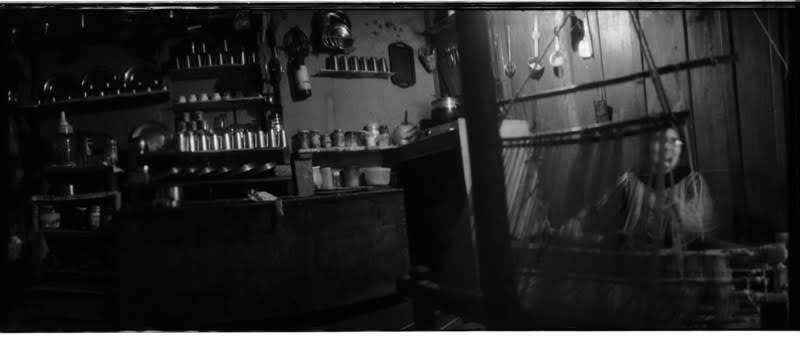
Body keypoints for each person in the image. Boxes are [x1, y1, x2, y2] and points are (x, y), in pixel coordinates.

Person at [554, 126, 719, 250]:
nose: (667, 147)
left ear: (681, 148)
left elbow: (707, 229)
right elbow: (598, 211)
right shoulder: (631, 181)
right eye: (659, 141)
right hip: (634, 269)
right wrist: (577, 223)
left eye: (674, 141)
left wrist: (683, 215)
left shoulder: (692, 182)